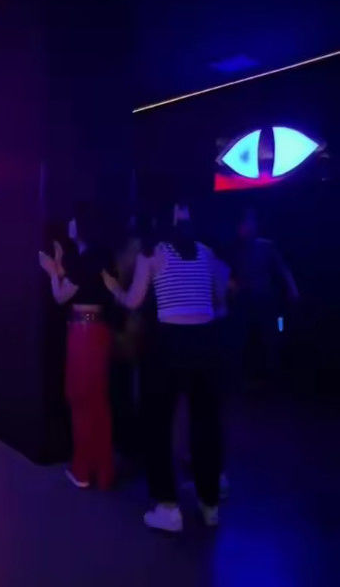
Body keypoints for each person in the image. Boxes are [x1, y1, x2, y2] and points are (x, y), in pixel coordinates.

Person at [103, 204, 222, 532]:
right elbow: (216, 298)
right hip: (205, 342)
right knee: (205, 424)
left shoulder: (152, 254)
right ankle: (210, 504)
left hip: (168, 343)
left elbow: (134, 301)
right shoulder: (206, 252)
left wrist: (114, 289)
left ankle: (168, 507)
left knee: (157, 422)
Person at [39, 203, 115, 490]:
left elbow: (61, 296)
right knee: (98, 401)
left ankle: (82, 470)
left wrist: (51, 272)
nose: (69, 223)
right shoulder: (101, 256)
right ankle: (104, 471)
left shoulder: (85, 259)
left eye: (73, 219)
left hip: (83, 332)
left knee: (80, 398)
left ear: (81, 226)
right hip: (100, 330)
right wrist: (60, 265)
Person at [230, 209, 299, 386]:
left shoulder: (266, 246)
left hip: (265, 299)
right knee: (244, 339)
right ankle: (246, 378)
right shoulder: (237, 249)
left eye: (249, 223)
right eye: (243, 224)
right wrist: (233, 287)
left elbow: (282, 268)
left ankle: (274, 377)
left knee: (271, 337)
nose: (246, 227)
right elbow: (232, 274)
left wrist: (292, 288)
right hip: (245, 301)